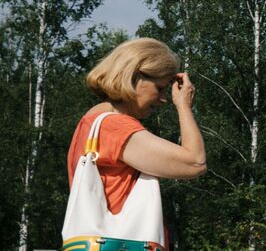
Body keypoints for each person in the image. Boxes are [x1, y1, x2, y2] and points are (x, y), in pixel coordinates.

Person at [62, 37, 206, 250]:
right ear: (135, 76)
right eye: (160, 88)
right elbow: (195, 162)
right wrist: (184, 106)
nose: (164, 98)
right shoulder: (115, 127)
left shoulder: (91, 121)